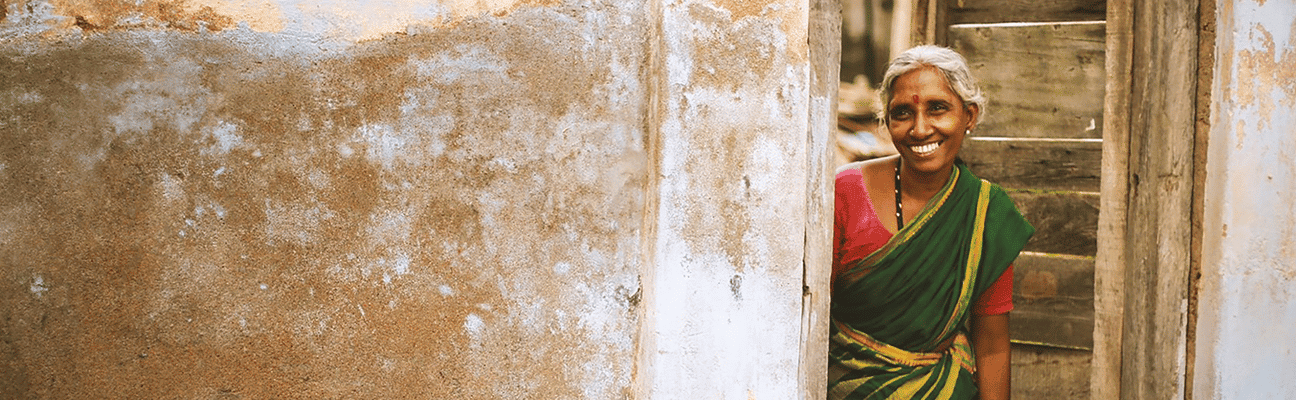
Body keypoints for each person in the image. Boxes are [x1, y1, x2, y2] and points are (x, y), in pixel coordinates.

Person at [828, 45, 1034, 400]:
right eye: (902, 113)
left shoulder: (986, 212)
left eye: (937, 109)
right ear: (887, 122)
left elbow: (992, 342)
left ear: (969, 116)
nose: (920, 129)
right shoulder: (844, 193)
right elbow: (810, 317)